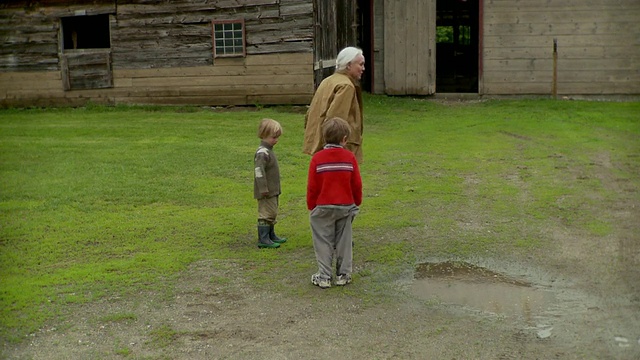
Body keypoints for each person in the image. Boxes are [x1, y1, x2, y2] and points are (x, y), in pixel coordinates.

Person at [307, 117, 362, 288]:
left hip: (322, 206)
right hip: (345, 206)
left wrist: (312, 205)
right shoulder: (350, 157)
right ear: (344, 139)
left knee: (322, 241)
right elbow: (357, 183)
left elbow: (312, 186)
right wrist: (356, 202)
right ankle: (343, 274)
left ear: (324, 138)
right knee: (344, 240)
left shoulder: (317, 158)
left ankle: (324, 276)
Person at [303, 46, 365, 163]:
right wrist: (336, 150)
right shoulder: (346, 86)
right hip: (338, 150)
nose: (363, 68)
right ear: (348, 65)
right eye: (360, 64)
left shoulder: (328, 80)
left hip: (321, 143)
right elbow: (336, 122)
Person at [254, 118, 288, 249]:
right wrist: (263, 188)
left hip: (273, 189)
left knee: (272, 212)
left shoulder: (269, 151)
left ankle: (271, 234)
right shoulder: (262, 153)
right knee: (266, 213)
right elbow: (259, 171)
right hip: (266, 191)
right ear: (263, 135)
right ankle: (263, 239)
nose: (276, 140)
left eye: (277, 137)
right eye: (273, 137)